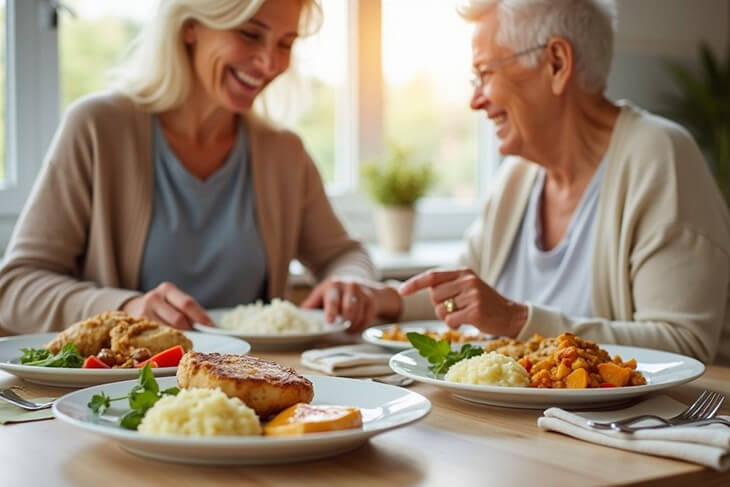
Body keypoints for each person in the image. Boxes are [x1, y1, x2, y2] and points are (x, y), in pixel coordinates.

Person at [348, 0, 730, 364]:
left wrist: (518, 321)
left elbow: (684, 345)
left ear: (557, 63)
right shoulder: (519, 176)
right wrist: (386, 300)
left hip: (625, 427)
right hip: (517, 424)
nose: (475, 100)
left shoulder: (659, 154)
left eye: (485, 74)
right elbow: (464, 291)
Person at [0, 0, 391, 333]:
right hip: (129, 392)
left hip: (247, 391)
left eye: (285, 43)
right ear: (191, 27)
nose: (270, 62)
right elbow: (16, 288)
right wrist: (125, 309)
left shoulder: (283, 153)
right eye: (250, 34)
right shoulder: (98, 128)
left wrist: (349, 281)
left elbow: (342, 253)